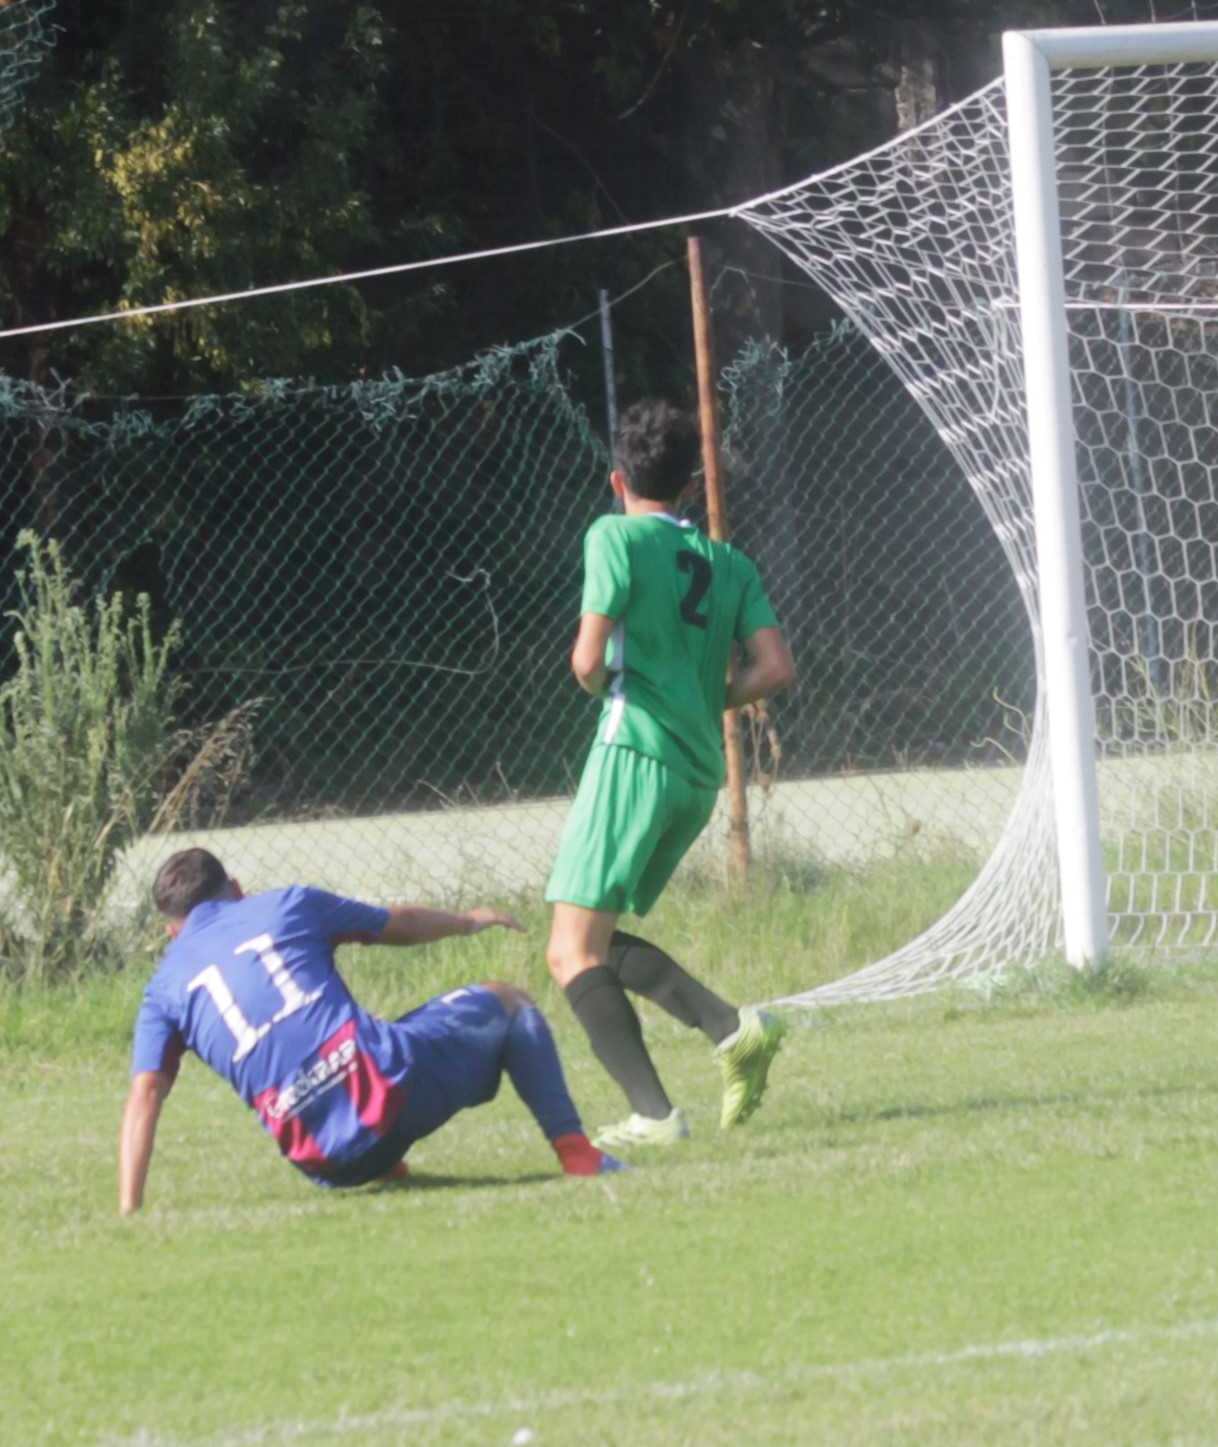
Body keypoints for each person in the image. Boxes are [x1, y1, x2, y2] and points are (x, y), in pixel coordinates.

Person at [545, 399, 798, 1152]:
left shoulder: (612, 535)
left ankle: (658, 1110)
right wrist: (711, 695)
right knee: (584, 937)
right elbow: (776, 666)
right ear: (690, 486)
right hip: (695, 769)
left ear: (617, 479)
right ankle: (730, 1030)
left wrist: (609, 690)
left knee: (570, 950)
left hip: (634, 753)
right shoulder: (730, 562)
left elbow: (587, 662)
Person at [120, 847, 618, 1211]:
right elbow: (396, 924)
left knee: (355, 1062)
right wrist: (467, 921)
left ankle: (379, 1161)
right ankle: (576, 1152)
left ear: (171, 931)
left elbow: (145, 1093)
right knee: (509, 1001)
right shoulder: (287, 905)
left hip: (321, 1160)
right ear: (236, 890)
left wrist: (130, 1210)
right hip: (393, 1091)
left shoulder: (162, 989)